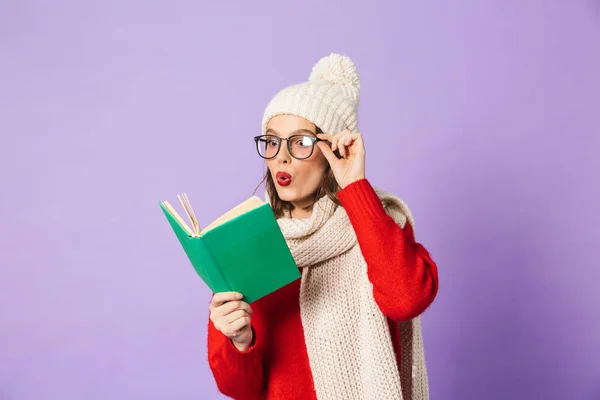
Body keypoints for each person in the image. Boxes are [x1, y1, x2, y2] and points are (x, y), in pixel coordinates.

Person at [206, 53, 439, 400]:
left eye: (300, 142)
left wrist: (354, 187)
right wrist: (239, 341)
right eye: (272, 141)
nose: (281, 156)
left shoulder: (379, 222)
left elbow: (405, 300)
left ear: (333, 148)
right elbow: (240, 389)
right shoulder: (248, 240)